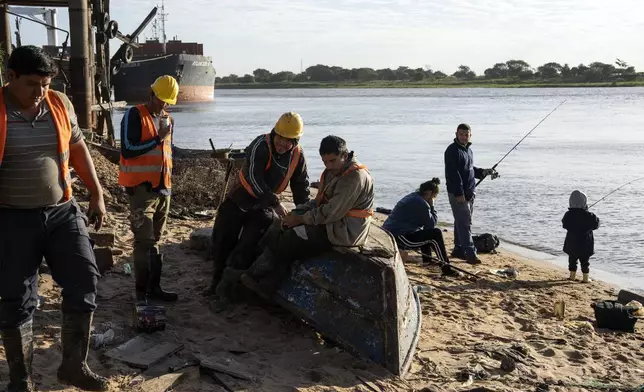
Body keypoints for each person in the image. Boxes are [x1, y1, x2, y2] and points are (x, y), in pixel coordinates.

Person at [0, 46, 108, 391]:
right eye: (33, 84)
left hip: (62, 211)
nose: (40, 93)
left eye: (45, 83)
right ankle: (22, 380)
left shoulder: (59, 103)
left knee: (84, 280)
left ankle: (73, 367)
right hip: (12, 219)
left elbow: (76, 147)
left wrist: (97, 192)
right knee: (16, 298)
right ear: (10, 76)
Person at [241, 135, 374, 298]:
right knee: (280, 226)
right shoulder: (332, 172)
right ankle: (256, 275)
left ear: (344, 156)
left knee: (291, 239)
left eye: (332, 161)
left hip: (345, 230)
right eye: (325, 162)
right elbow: (318, 202)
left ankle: (267, 286)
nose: (328, 166)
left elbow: (331, 212)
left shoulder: (354, 178)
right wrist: (296, 213)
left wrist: (300, 219)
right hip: (331, 221)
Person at [205, 112, 310, 297]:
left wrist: (303, 213)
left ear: (296, 140)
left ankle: (230, 285)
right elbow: (255, 177)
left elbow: (301, 187)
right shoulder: (260, 145)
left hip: (263, 207)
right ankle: (214, 282)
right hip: (240, 198)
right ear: (274, 133)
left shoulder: (297, 156)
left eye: (289, 140)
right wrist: (275, 202)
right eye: (280, 137)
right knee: (222, 241)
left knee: (247, 245)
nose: (283, 144)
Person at [118, 75, 179, 303]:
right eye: (161, 99)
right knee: (144, 242)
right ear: (151, 93)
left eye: (168, 101)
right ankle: (141, 292)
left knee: (156, 239)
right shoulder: (135, 115)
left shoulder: (168, 120)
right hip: (141, 190)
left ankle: (155, 288)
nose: (164, 104)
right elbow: (128, 149)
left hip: (164, 189)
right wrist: (157, 138)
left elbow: (168, 151)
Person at [444, 123, 498, 265]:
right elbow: (453, 174)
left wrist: (483, 172)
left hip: (470, 193)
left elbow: (469, 169)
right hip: (458, 194)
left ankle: (458, 248)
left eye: (466, 134)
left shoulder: (468, 151)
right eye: (461, 134)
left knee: (460, 221)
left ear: (470, 135)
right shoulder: (452, 150)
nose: (464, 137)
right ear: (456, 134)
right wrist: (458, 193)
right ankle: (471, 254)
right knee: (465, 223)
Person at [382, 178, 455, 275]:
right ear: (429, 193)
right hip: (399, 236)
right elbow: (432, 224)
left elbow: (427, 226)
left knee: (426, 231)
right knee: (436, 234)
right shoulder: (421, 203)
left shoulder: (414, 197)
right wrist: (432, 207)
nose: (434, 199)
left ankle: (427, 260)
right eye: (434, 196)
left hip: (392, 233)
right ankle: (446, 268)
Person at [562, 190, 600, 283]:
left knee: (572, 260)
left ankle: (572, 276)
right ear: (584, 202)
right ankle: (585, 278)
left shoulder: (568, 214)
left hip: (571, 243)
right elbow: (596, 224)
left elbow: (564, 224)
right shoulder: (589, 215)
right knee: (585, 261)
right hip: (585, 244)